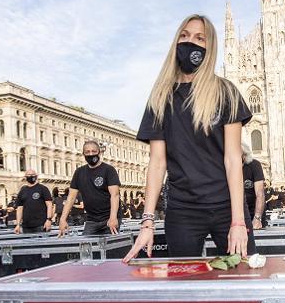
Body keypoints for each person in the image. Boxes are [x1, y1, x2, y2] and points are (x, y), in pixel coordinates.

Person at [123, 14, 255, 260]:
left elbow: (233, 159)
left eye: (199, 38)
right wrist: (147, 223)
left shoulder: (226, 92)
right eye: (183, 36)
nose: (189, 42)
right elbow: (157, 163)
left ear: (210, 46)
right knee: (184, 283)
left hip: (226, 206)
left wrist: (238, 222)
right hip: (183, 209)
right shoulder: (161, 97)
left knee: (243, 276)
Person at [58, 141, 121, 236]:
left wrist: (113, 217)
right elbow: (71, 198)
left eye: (93, 151)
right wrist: (63, 219)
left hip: (109, 218)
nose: (91, 154)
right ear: (83, 154)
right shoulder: (79, 172)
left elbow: (115, 195)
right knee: (86, 246)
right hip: (91, 220)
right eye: (87, 152)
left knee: (108, 248)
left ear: (99, 152)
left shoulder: (109, 170)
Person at [15, 169, 53, 234]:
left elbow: (49, 205)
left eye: (33, 175)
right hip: (26, 226)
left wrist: (49, 220)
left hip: (41, 225)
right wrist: (18, 224)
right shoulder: (22, 190)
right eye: (29, 175)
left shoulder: (43, 188)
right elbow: (20, 208)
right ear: (25, 177)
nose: (31, 176)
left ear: (36, 176)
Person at [242, 142, 266, 229]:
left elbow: (260, 194)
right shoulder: (228, 166)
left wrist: (257, 218)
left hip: (253, 211)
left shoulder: (254, 165)